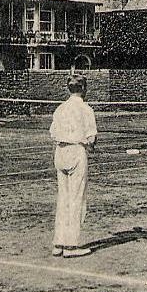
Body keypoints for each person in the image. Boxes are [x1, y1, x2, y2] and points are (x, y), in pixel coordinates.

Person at [48, 75, 97, 258]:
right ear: (83, 88)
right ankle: (71, 246)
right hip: (76, 152)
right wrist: (90, 146)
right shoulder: (86, 109)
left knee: (64, 198)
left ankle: (59, 243)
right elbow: (92, 138)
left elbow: (53, 133)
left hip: (60, 152)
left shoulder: (60, 109)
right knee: (76, 198)